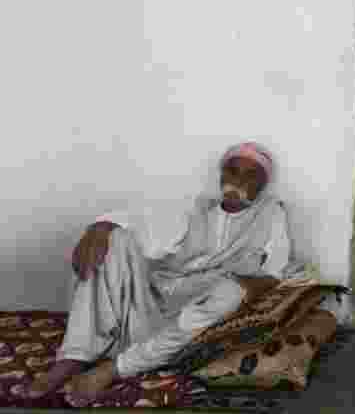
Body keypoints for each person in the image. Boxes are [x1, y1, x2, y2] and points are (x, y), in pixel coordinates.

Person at [26, 142, 291, 404]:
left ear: (264, 184)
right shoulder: (197, 207)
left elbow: (273, 273)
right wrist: (101, 227)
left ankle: (114, 369)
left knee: (230, 293)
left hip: (195, 319)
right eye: (232, 171)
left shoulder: (271, 213)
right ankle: (75, 355)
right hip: (149, 307)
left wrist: (237, 287)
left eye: (251, 174)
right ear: (222, 175)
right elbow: (141, 225)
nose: (238, 180)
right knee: (116, 238)